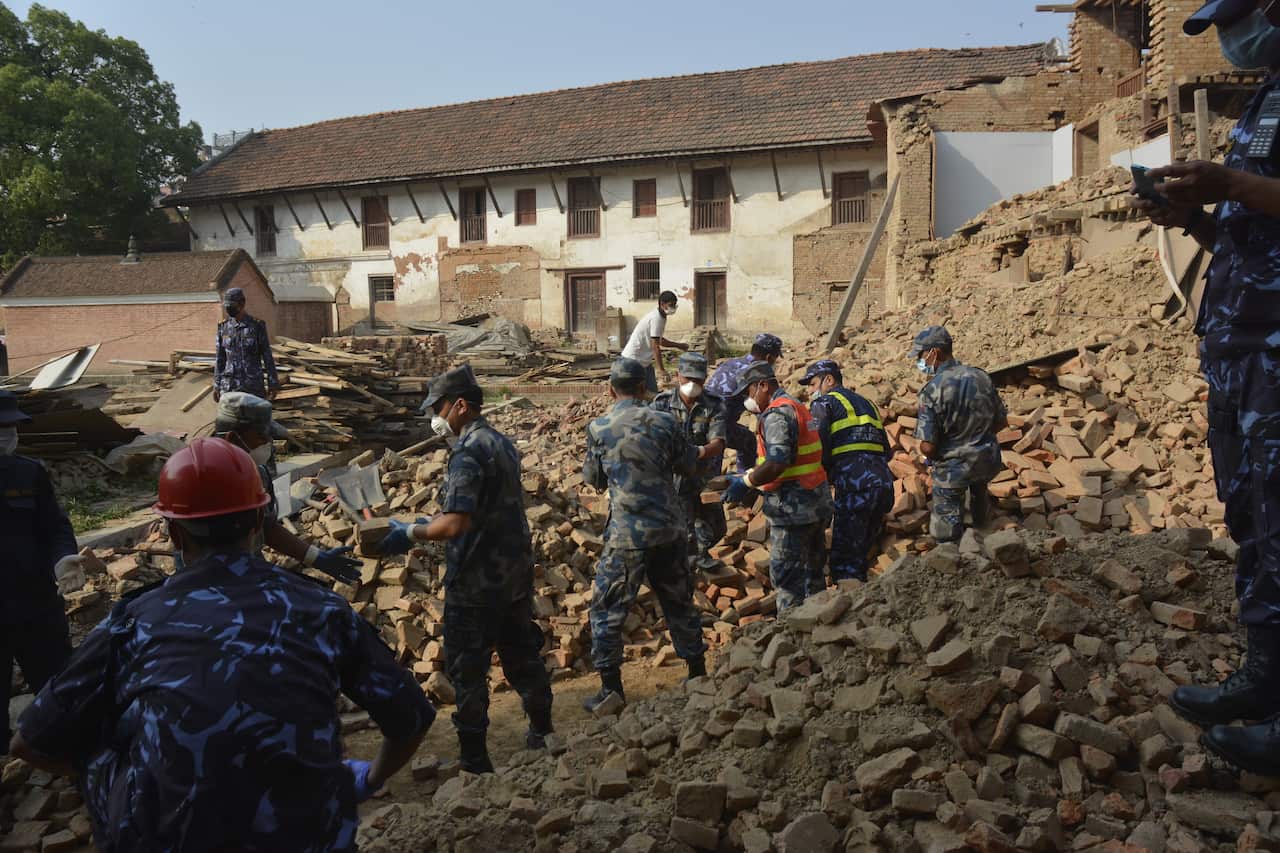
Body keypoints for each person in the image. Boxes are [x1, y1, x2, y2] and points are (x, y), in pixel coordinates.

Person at [9, 437, 435, 852]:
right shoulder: (320, 610)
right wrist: (368, 779)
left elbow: (30, 743)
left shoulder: (134, 621)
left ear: (174, 535)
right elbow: (411, 717)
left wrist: (105, 776)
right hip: (305, 835)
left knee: (114, 727)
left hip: (163, 837)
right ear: (256, 524)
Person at [1132, 0, 1280, 773]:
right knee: (1255, 517)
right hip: (1242, 353)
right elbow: (1250, 235)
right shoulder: (1264, 98)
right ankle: (1264, 679)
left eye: (1240, 16)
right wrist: (1192, 215)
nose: (1231, 38)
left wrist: (1230, 180)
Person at [377, 364, 553, 773]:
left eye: (437, 408)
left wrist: (410, 533)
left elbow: (455, 522)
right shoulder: (501, 442)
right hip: (513, 574)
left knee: (469, 670)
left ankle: (475, 760)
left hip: (476, 582)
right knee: (522, 654)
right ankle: (544, 733)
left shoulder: (468, 452)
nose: (433, 417)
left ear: (460, 405)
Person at [581, 357, 707, 711]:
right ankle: (697, 674)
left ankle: (611, 690)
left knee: (607, 610)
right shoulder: (666, 421)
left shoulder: (599, 427)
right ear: (642, 388)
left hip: (626, 536)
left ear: (610, 389)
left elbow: (594, 479)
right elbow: (689, 466)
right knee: (679, 602)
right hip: (669, 529)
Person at [0, 390, 85, 755]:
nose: (7, 434)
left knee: (56, 686)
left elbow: (55, 527)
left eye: (12, 427)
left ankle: (68, 761)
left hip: (36, 605)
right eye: (1, 427)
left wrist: (63, 558)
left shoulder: (29, 472)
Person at [214, 392, 360, 584]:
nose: (269, 444)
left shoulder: (258, 475)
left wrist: (315, 558)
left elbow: (267, 526)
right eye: (261, 437)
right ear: (232, 438)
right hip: (207, 585)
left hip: (251, 573)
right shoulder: (195, 478)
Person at [722, 361, 833, 612]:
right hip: (816, 504)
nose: (748, 399)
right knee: (813, 576)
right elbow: (796, 456)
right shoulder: (798, 407)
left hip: (793, 511)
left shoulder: (776, 414)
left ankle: (790, 637)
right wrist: (751, 472)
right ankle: (820, 628)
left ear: (763, 385)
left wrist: (747, 482)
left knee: (787, 583)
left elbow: (778, 461)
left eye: (749, 391)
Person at [911, 326, 1006, 544]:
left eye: (921, 355)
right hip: (987, 462)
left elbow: (928, 445)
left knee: (945, 533)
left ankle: (950, 553)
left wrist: (931, 457)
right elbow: (1001, 421)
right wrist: (977, 439)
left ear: (934, 352)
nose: (919, 361)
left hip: (954, 469)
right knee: (979, 492)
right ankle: (985, 540)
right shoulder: (981, 377)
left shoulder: (933, 390)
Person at [803, 359, 894, 582]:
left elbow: (817, 442)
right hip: (882, 484)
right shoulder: (868, 403)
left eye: (813, 384)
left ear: (829, 380)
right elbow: (887, 450)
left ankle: (849, 606)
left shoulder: (824, 403)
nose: (810, 391)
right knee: (862, 549)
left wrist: (819, 476)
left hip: (855, 485)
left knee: (845, 560)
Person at [651, 352, 729, 572]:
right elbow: (650, 438)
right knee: (684, 531)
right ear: (678, 376)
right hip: (673, 481)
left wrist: (697, 452)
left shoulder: (714, 405)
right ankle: (690, 566)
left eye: (698, 380)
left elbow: (718, 442)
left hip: (703, 478)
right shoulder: (662, 404)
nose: (692, 384)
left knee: (717, 528)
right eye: (688, 379)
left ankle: (697, 554)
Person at [706, 333, 784, 473]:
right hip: (716, 426)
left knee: (747, 440)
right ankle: (744, 480)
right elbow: (761, 405)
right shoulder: (755, 372)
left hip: (702, 417)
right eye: (775, 359)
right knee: (714, 464)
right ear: (768, 358)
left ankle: (743, 477)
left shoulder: (731, 363)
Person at [215, 286, 280, 402]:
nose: (229, 309)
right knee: (229, 419)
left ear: (242, 303)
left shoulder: (257, 326)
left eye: (232, 306)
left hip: (252, 386)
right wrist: (216, 384)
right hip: (230, 386)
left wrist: (273, 383)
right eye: (227, 306)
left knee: (254, 419)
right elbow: (220, 359)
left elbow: (267, 356)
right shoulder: (223, 327)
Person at [619, 290, 688, 392]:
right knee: (637, 395)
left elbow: (659, 340)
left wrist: (678, 345)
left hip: (643, 362)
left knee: (651, 393)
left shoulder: (662, 316)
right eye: (671, 305)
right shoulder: (656, 318)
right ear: (662, 304)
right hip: (633, 360)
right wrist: (661, 370)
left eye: (674, 305)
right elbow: (655, 346)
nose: (673, 307)